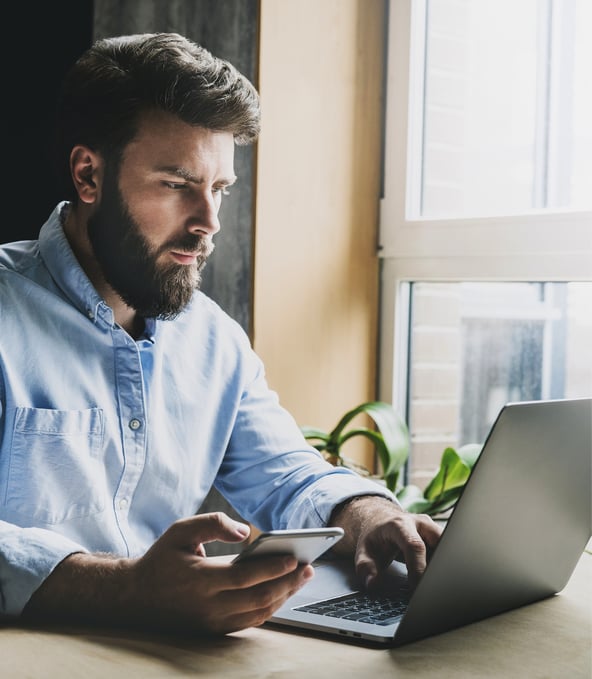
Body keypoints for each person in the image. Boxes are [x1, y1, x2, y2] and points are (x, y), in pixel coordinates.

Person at [0, 32, 441, 635]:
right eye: (177, 185)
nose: (208, 222)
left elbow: (285, 471)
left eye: (220, 189)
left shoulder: (213, 339)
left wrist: (365, 511)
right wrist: (126, 590)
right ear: (88, 176)